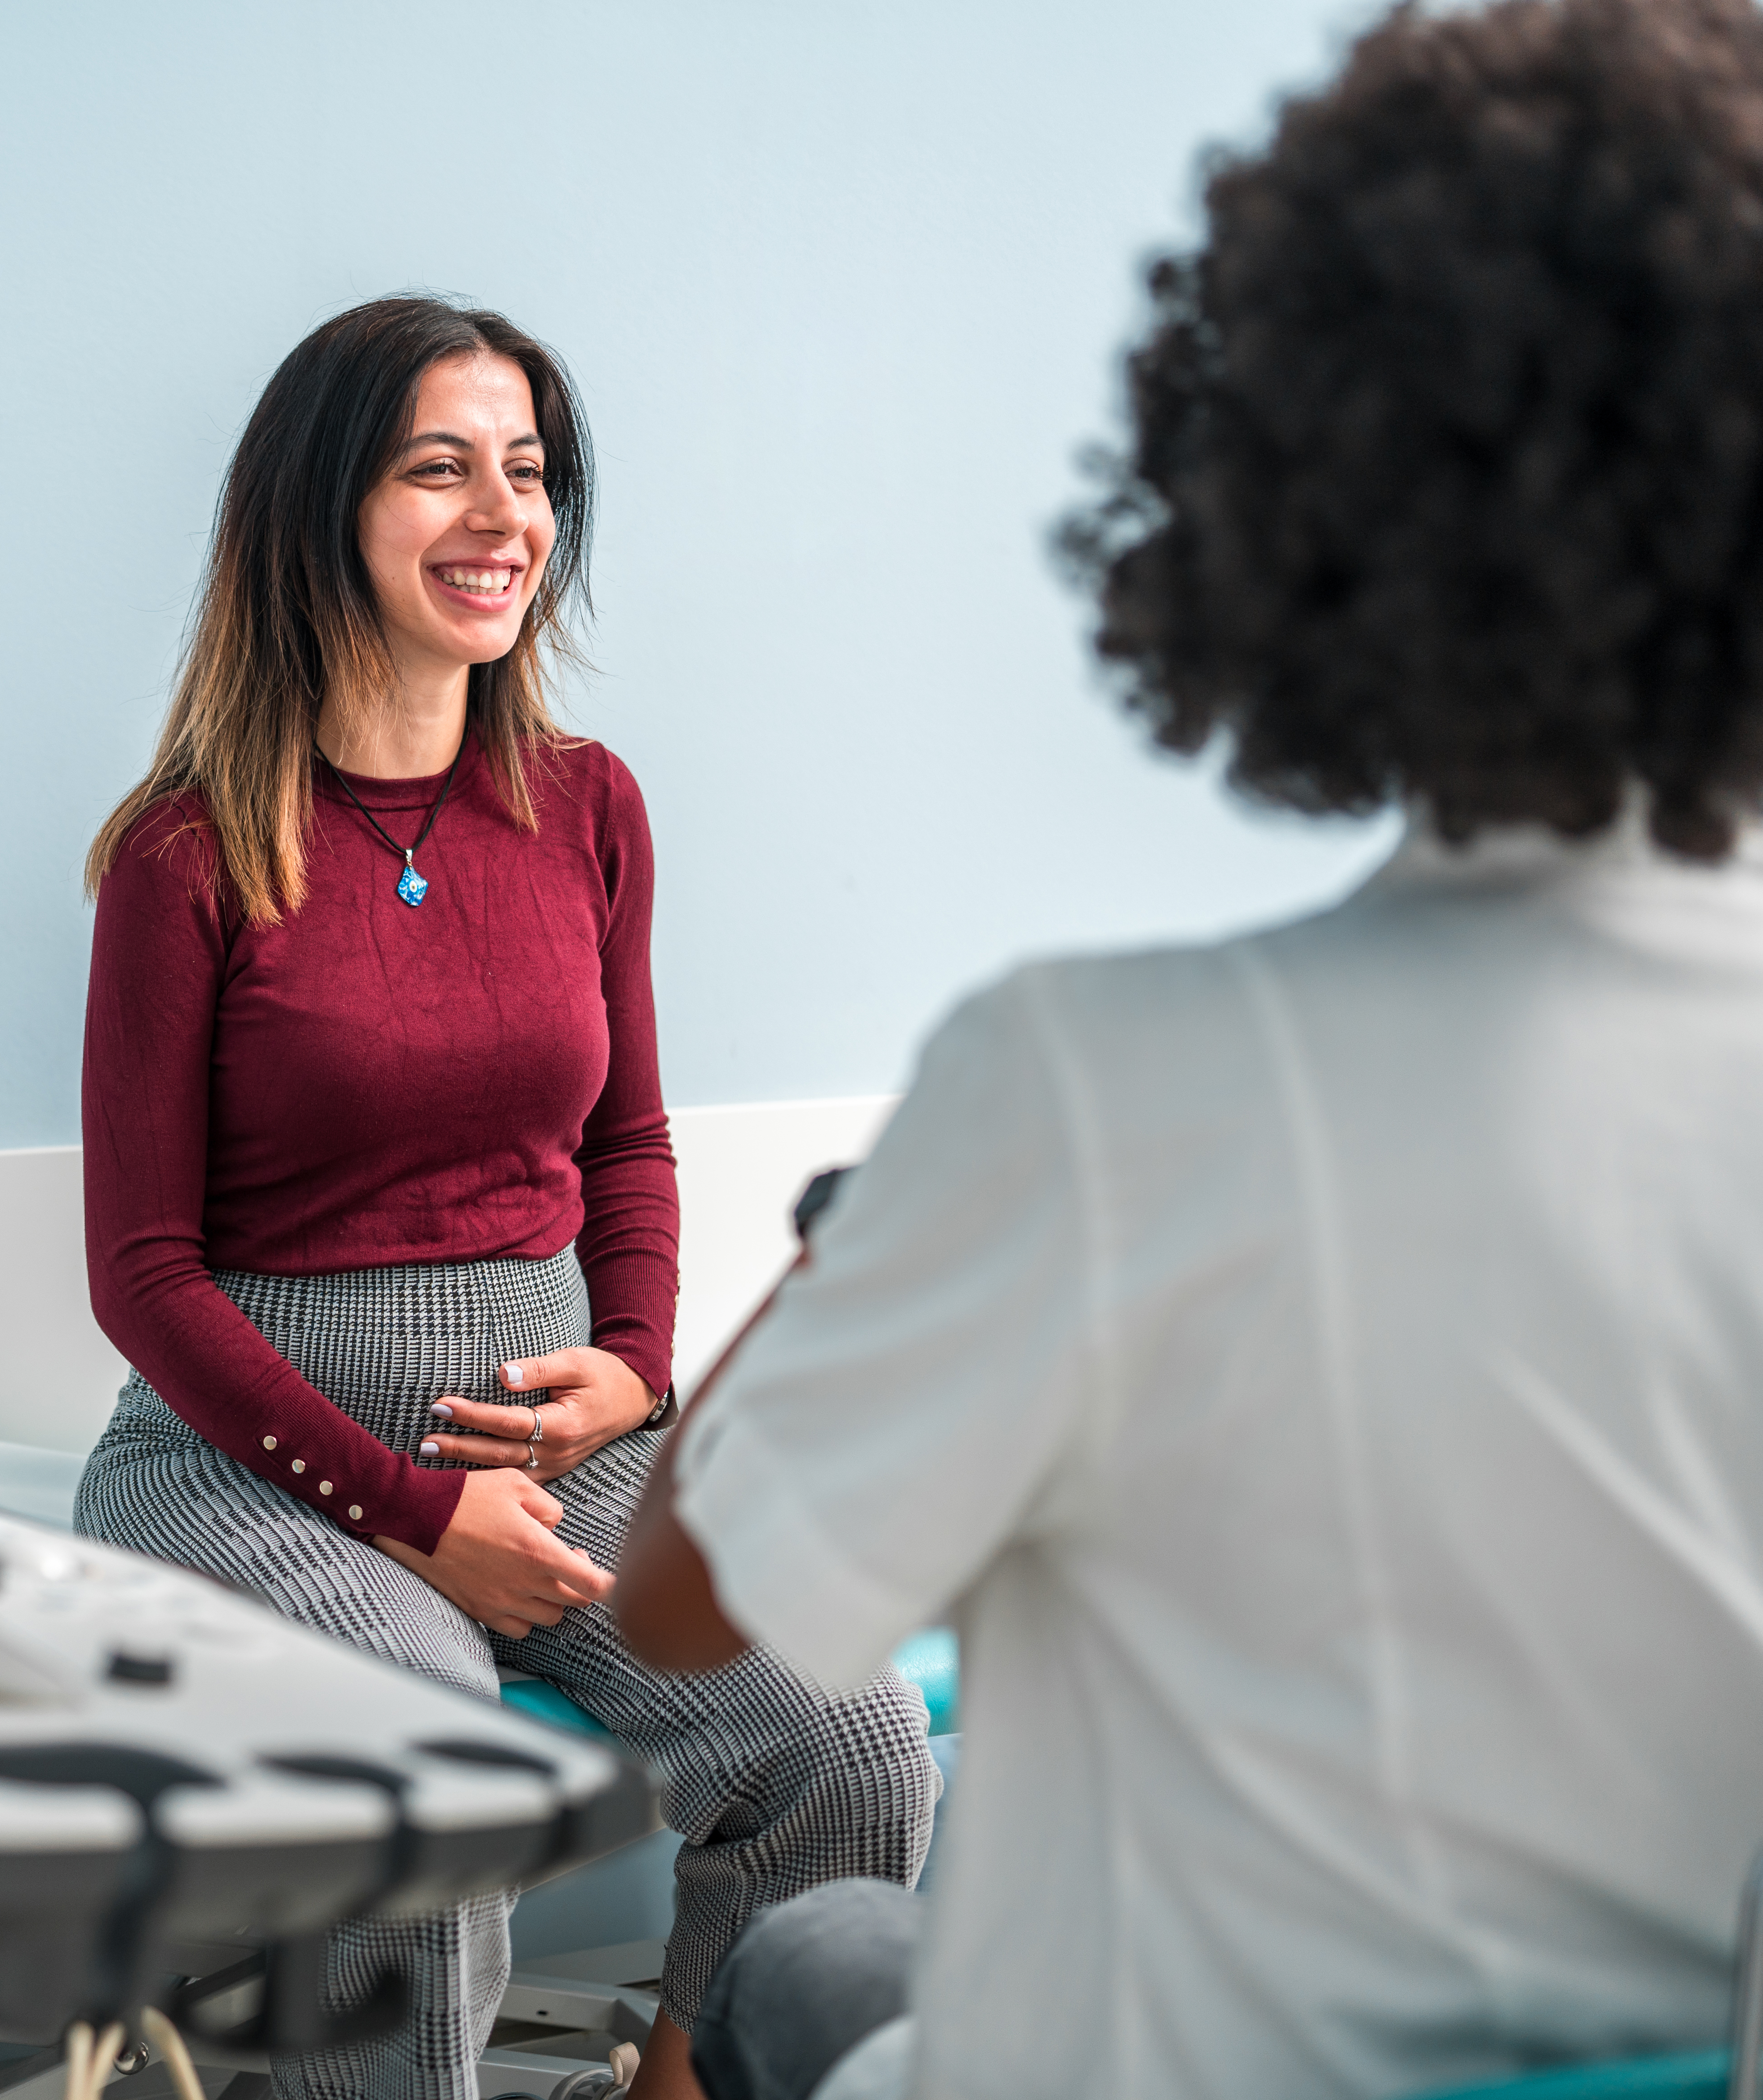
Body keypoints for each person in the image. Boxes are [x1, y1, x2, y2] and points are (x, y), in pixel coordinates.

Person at [610, 3, 1763, 2096]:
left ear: (1305, 489)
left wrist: (868, 1223)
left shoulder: (1094, 1087)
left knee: (816, 1963)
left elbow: (685, 1600)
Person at [76, 295, 938, 2100]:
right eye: (440, 469)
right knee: (427, 1749)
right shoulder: (187, 850)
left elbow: (629, 1141)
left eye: (530, 474)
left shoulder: (588, 806)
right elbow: (145, 1272)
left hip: (559, 1448)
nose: (501, 517)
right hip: (253, 1460)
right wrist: (402, 1509)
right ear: (324, 510)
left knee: (848, 1730)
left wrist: (636, 1362)